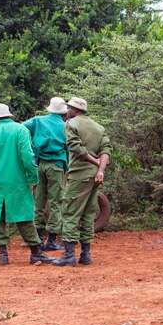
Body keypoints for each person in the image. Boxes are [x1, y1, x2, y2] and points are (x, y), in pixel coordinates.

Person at [0, 103, 54, 265]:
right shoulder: (21, 131)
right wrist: (33, 178)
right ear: (9, 115)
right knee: (24, 216)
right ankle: (36, 252)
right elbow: (27, 156)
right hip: (18, 182)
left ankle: (3, 254)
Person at [54, 97, 112, 267]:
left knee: (70, 212)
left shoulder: (71, 124)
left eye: (68, 108)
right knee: (88, 213)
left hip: (79, 175)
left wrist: (94, 163)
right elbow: (106, 151)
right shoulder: (99, 127)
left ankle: (69, 255)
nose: (66, 111)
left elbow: (76, 148)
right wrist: (100, 169)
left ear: (74, 110)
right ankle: (85, 254)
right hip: (95, 177)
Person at [23, 97, 68, 251]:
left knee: (38, 201)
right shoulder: (65, 126)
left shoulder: (37, 121)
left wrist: (31, 146)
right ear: (63, 112)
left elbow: (21, 129)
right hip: (56, 164)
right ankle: (52, 240)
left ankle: (37, 238)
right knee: (56, 202)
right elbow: (69, 147)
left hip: (39, 164)